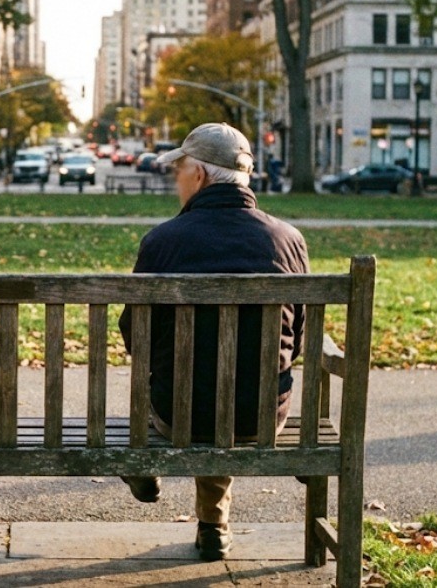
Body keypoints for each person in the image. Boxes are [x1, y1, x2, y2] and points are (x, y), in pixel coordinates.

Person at [118, 123, 309, 562]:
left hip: (175, 414)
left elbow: (136, 339)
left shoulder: (163, 241)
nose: (175, 179)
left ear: (199, 177)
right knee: (231, 389)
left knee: (190, 391)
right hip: (262, 416)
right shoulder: (288, 240)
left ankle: (143, 460)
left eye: (179, 169)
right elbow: (295, 339)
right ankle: (214, 527)